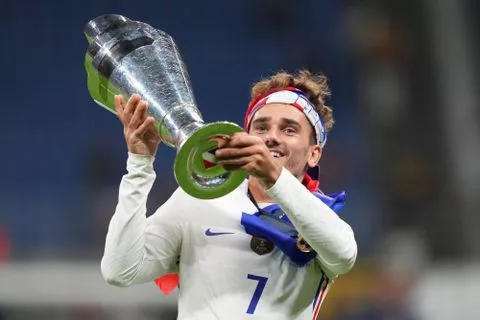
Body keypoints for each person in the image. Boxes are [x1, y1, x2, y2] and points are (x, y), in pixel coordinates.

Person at [101, 70, 357, 320]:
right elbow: (121, 270)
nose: (271, 138)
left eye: (289, 130)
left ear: (314, 153)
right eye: (261, 127)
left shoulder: (319, 218)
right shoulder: (201, 198)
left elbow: (344, 255)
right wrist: (139, 164)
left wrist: (273, 177)